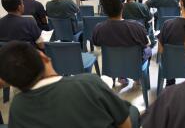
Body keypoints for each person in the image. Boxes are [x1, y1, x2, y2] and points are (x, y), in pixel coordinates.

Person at [0, 41, 139, 128]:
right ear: (43, 57)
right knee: (130, 110)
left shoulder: (17, 108)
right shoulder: (88, 82)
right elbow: (123, 121)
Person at [93, 0, 152, 85]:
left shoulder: (98, 29)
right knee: (148, 50)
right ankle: (137, 78)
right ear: (123, 6)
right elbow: (147, 43)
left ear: (104, 9)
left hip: (112, 67)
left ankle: (121, 76)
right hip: (134, 66)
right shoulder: (137, 27)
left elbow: (98, 48)